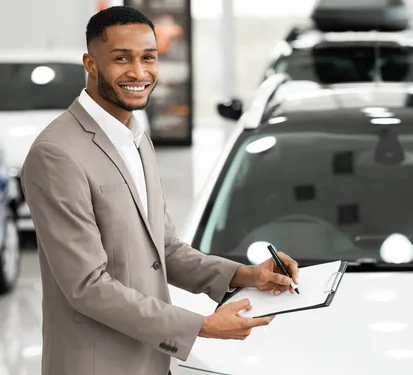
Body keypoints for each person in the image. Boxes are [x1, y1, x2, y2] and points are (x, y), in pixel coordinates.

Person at [20, 6, 299, 375]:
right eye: (122, 59)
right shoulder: (56, 153)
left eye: (148, 57)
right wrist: (199, 326)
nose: (139, 72)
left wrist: (244, 275)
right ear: (90, 63)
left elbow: (164, 249)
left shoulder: (135, 136)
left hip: (152, 360)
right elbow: (86, 285)